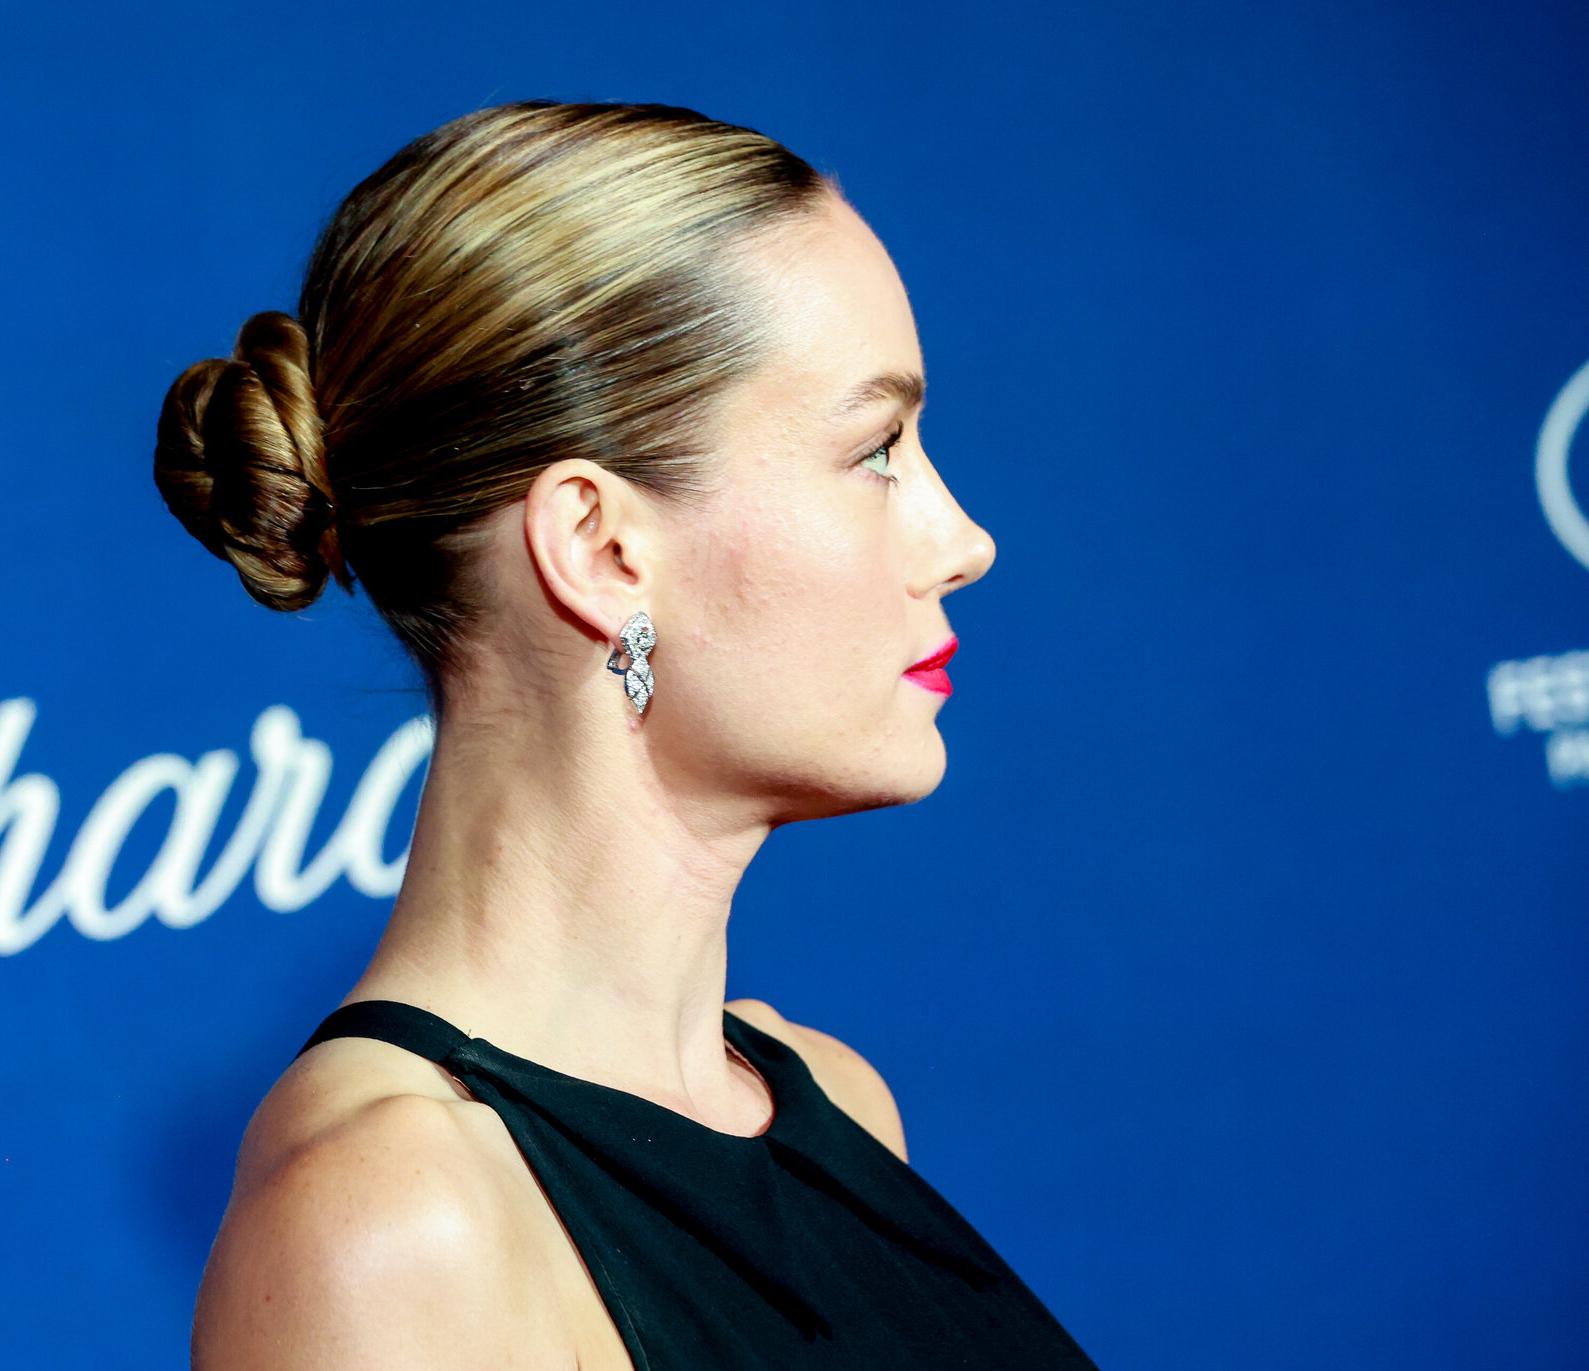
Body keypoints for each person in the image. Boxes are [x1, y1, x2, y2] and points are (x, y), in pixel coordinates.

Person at [156, 100, 1096, 1370]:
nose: (963, 541)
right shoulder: (397, 1225)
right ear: (601, 549)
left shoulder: (837, 1106)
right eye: (876, 449)